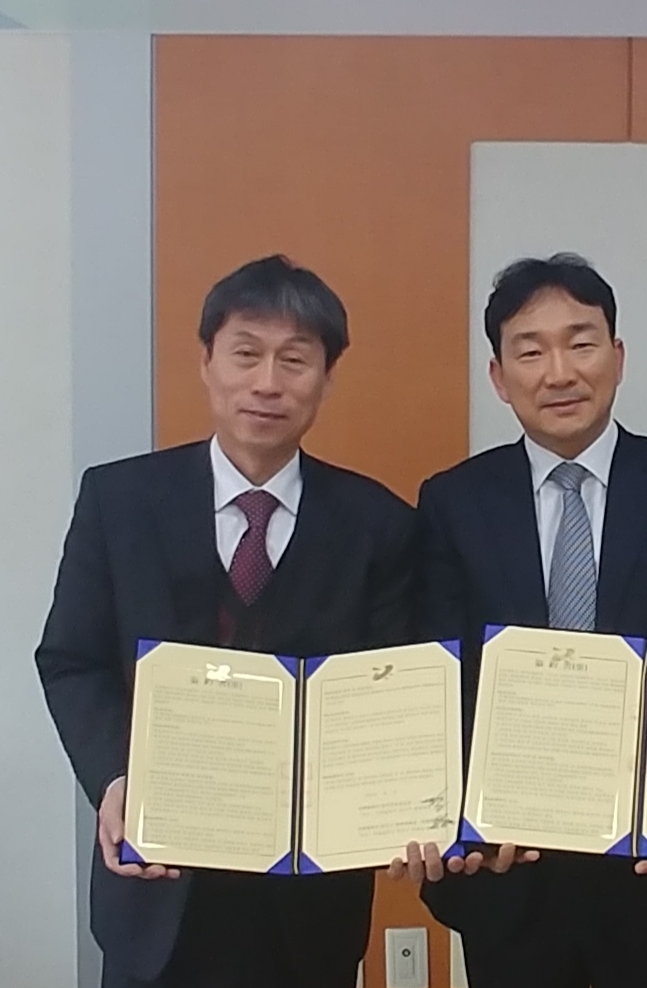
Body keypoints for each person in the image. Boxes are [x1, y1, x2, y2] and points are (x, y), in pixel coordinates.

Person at [392, 253, 647, 988]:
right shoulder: (453, 501)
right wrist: (454, 821)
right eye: (530, 351)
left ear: (617, 357)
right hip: (509, 875)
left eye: (581, 343)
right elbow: (439, 676)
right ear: (498, 376)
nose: (559, 372)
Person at [36, 255, 414, 988]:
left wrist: (399, 804)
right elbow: (71, 658)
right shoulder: (119, 501)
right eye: (245, 353)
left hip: (309, 900)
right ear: (206, 362)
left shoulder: (380, 525)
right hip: (157, 880)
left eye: (294, 360)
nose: (267, 382)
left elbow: (392, 692)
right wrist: (115, 777)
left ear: (326, 379)